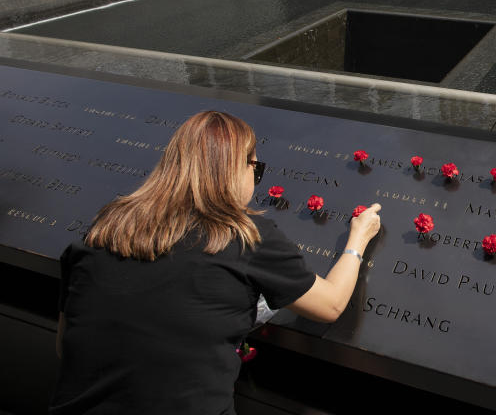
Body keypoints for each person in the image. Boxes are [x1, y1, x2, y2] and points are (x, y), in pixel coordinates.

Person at [51, 111, 382, 414]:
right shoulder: (243, 235)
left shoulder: (105, 229)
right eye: (257, 168)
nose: (256, 179)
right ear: (236, 168)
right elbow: (331, 305)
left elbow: (66, 345)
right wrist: (358, 239)